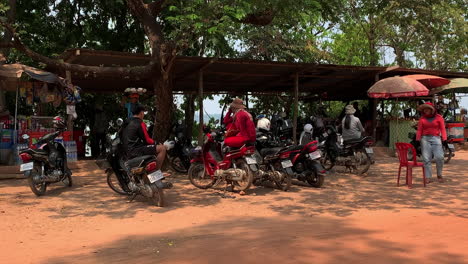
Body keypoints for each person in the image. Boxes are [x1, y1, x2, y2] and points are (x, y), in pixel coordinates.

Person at [122, 104, 167, 173]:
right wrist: (157, 143)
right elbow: (147, 140)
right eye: (143, 112)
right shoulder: (140, 123)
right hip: (136, 150)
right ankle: (156, 173)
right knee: (162, 148)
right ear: (141, 113)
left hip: (126, 151)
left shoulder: (126, 122)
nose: (143, 114)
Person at [416, 102, 446, 183]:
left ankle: (439, 174)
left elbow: (442, 128)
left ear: (432, 109)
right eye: (424, 109)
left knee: (440, 157)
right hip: (425, 139)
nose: (425, 110)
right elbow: (419, 129)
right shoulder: (422, 119)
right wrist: (418, 138)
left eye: (427, 108)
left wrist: (444, 137)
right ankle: (428, 177)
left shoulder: (439, 118)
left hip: (436, 138)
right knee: (426, 158)